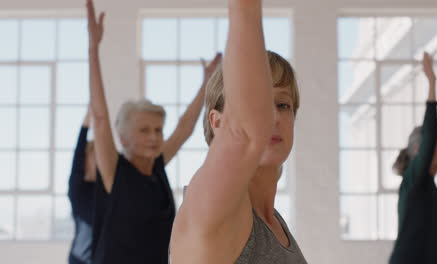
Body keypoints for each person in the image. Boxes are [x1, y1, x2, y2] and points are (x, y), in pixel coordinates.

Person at [170, 0, 307, 263]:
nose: (273, 117)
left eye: (283, 104)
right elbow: (245, 135)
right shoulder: (214, 206)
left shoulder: (274, 223)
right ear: (217, 122)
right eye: (261, 105)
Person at [85, 0, 222, 263]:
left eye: (158, 130)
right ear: (123, 138)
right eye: (144, 130)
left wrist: (206, 83)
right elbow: (100, 118)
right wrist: (93, 48)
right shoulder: (116, 171)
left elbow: (185, 127)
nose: (154, 137)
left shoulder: (157, 166)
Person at [389, 52, 437, 264]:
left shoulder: (427, 185)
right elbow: (431, 137)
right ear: (419, 149)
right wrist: (432, 84)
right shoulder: (413, 181)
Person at [68, 108, 96, 264]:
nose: (99, 161)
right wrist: (91, 113)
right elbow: (79, 150)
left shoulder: (109, 188)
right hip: (79, 260)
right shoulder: (77, 187)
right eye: (94, 156)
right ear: (85, 160)